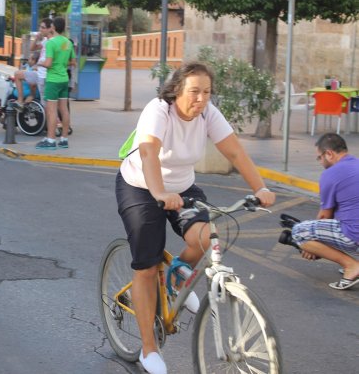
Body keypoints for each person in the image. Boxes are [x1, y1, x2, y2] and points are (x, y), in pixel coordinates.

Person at [115, 61, 276, 374]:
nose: (201, 98)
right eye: (194, 91)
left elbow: (234, 153)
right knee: (146, 266)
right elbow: (148, 152)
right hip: (140, 187)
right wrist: (159, 193)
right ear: (177, 90)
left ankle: (176, 274)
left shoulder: (208, 114)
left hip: (182, 188)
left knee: (204, 238)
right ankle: (149, 348)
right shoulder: (158, 111)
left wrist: (260, 187)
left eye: (207, 92)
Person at [290, 133, 359, 290]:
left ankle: (352, 266)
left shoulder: (330, 174)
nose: (320, 162)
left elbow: (324, 217)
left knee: (300, 232)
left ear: (329, 153)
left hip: (355, 235)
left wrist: (311, 245)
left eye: (319, 158)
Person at [36, 17, 75, 150]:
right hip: (64, 79)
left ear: (53, 27)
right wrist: (62, 64)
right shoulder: (68, 42)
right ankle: (64, 139)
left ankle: (51, 140)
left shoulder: (51, 43)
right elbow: (73, 62)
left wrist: (39, 63)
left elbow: (48, 63)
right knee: (64, 109)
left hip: (53, 80)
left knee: (51, 111)